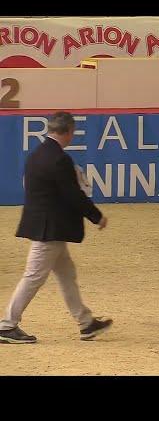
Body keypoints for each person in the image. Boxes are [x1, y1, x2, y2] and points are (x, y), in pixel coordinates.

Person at [0, 111, 113, 343]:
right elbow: (73, 194)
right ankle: (7, 325)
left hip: (45, 226)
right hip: (49, 229)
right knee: (33, 277)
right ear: (70, 132)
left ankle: (86, 323)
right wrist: (96, 216)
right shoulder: (60, 159)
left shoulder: (36, 154)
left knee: (66, 275)